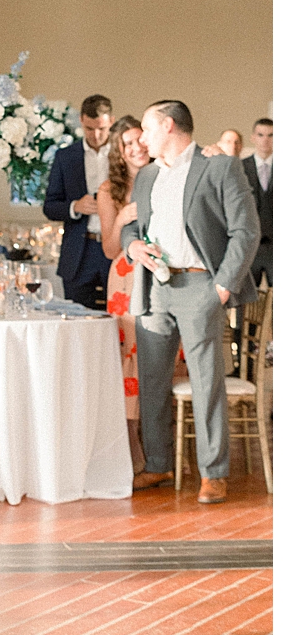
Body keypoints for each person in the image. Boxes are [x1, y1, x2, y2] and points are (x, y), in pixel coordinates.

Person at [122, 100, 259, 504]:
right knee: (152, 382)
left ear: (168, 125)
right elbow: (133, 225)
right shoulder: (147, 175)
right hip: (155, 288)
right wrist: (132, 247)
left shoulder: (219, 167)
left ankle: (214, 472)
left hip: (201, 285)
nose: (142, 139)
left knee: (206, 382)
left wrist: (222, 287)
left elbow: (246, 231)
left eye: (147, 129)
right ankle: (158, 464)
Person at [97, 116, 150, 474]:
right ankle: (132, 445)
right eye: (127, 144)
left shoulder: (164, 175)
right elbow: (108, 249)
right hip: (125, 280)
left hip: (162, 274)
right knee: (130, 358)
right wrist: (121, 219)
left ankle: (164, 444)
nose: (135, 148)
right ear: (119, 151)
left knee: (160, 355)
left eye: (139, 140)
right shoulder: (109, 190)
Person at [44, 93, 114, 308]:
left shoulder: (124, 153)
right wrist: (75, 207)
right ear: (81, 121)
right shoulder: (65, 156)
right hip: (79, 253)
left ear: (111, 121)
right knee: (77, 316)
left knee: (120, 317)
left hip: (115, 247)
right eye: (90, 129)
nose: (96, 135)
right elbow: (49, 206)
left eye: (102, 128)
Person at [243, 119, 272, 287]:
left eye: (271, 135)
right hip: (250, 246)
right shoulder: (240, 167)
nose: (265, 140)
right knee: (247, 295)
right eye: (261, 135)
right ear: (253, 137)